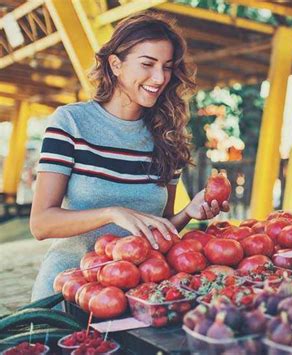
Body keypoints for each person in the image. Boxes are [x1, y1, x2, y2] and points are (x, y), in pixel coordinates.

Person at [30, 10, 229, 301]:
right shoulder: (71, 122)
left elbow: (156, 233)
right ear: (115, 64)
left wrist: (188, 213)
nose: (159, 77)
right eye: (147, 64)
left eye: (168, 67)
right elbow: (41, 224)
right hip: (69, 290)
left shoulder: (168, 136)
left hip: (137, 297)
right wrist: (112, 213)